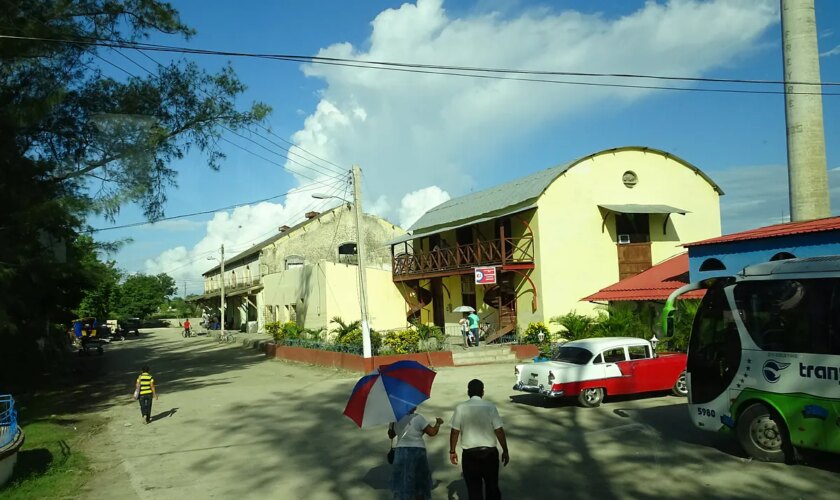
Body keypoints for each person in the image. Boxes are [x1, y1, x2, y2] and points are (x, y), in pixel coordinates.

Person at [450, 379, 509, 500]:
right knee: (492, 487)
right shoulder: (490, 407)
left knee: (474, 490)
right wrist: (505, 450)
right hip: (490, 454)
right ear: (482, 392)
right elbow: (498, 430)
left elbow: (455, 431)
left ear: (468, 392)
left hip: (470, 455)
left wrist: (452, 451)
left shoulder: (461, 408)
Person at [388, 407, 444, 500]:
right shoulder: (418, 418)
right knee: (419, 483)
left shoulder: (395, 419)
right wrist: (438, 423)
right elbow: (432, 432)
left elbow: (391, 435)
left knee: (402, 482)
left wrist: (392, 426)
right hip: (417, 450)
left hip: (401, 451)